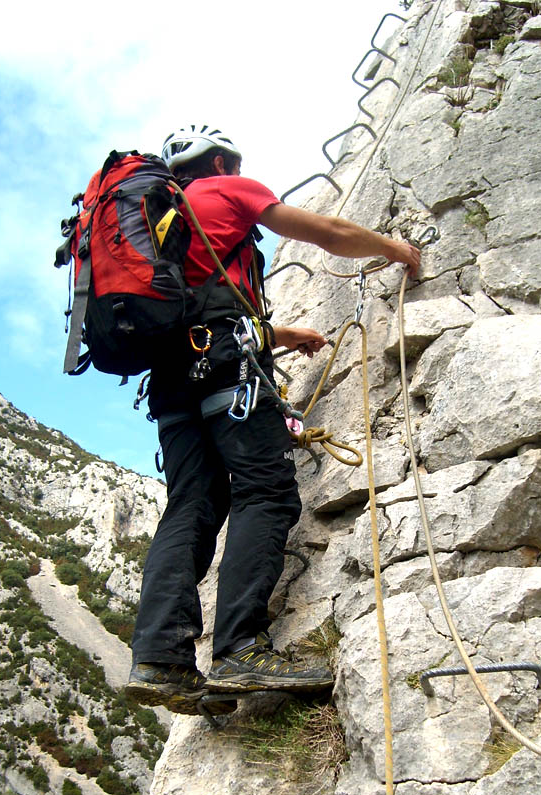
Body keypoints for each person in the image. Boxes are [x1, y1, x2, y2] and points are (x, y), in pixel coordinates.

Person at [124, 124, 420, 717]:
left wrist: (279, 335)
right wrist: (396, 250)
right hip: (226, 374)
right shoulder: (226, 193)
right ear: (218, 161)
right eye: (228, 161)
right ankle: (241, 649)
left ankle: (160, 657)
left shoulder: (159, 227)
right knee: (265, 491)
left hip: (171, 384)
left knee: (192, 507)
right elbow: (328, 232)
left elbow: (196, 309)